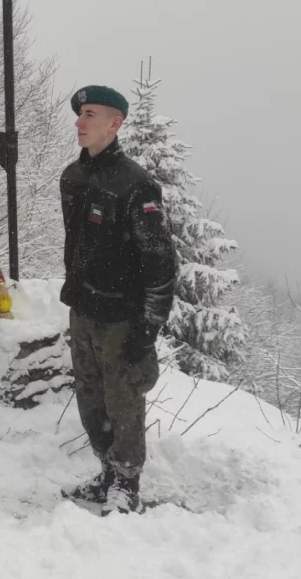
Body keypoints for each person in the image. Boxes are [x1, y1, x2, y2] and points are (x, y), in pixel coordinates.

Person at [58, 85, 177, 515]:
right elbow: (76, 244)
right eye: (80, 114)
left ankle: (127, 484)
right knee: (90, 396)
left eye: (90, 114)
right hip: (83, 310)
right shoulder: (73, 176)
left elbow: (160, 261)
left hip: (121, 318)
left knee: (123, 400)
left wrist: (149, 326)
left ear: (115, 123)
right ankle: (107, 473)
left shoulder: (136, 185)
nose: (79, 122)